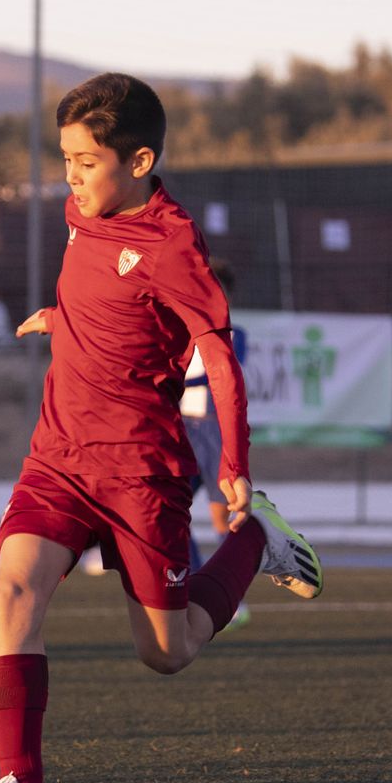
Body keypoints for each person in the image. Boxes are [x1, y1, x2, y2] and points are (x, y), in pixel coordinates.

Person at [0, 74, 323, 783]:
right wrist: (64, 318)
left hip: (140, 473)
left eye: (86, 160)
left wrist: (236, 463)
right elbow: (106, 294)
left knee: (167, 653)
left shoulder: (175, 243)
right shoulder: (86, 212)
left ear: (139, 159)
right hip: (59, 456)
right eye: (66, 158)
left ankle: (256, 539)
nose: (71, 178)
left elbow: (219, 357)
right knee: (11, 593)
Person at [181, 260, 250, 631]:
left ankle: (229, 596)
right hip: (182, 432)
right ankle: (192, 584)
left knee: (223, 518)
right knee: (171, 511)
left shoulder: (233, 334)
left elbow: (219, 374)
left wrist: (181, 383)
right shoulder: (180, 331)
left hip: (213, 433)